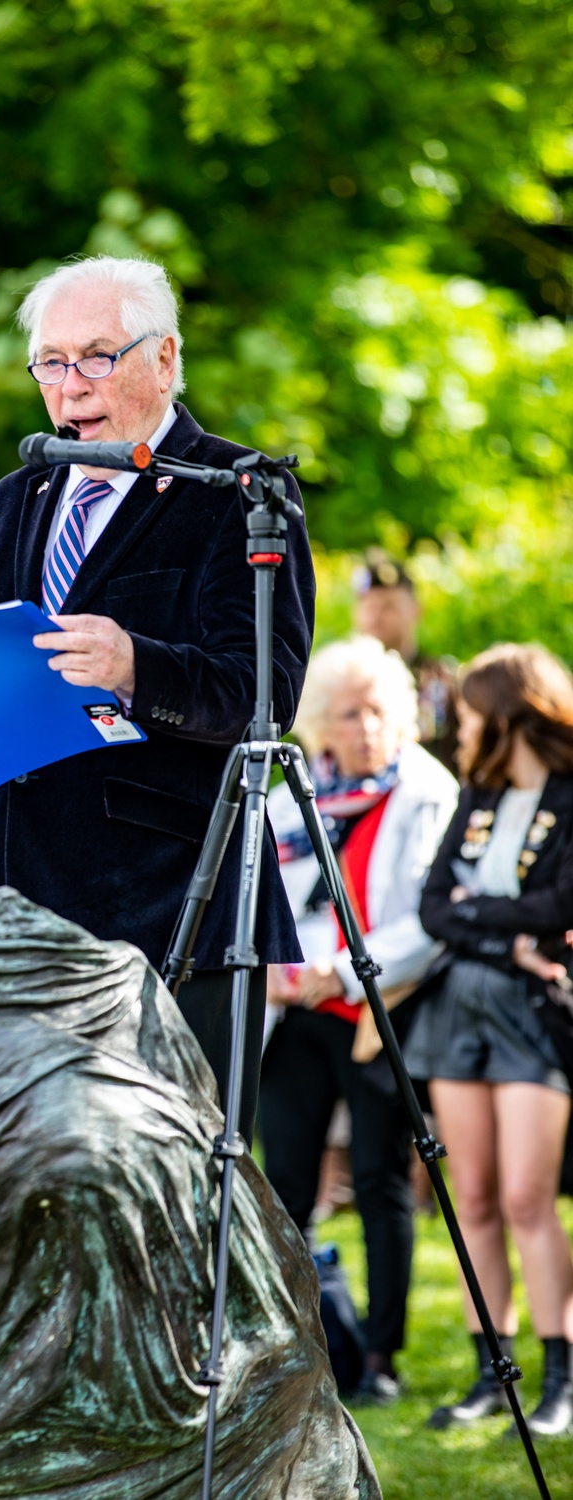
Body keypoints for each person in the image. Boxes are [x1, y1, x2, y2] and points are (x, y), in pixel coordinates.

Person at [0, 255, 315, 1128]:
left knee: (168, 1189)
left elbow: (264, 702)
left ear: (164, 359)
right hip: (7, 901)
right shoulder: (14, 498)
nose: (69, 385)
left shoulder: (240, 494)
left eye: (96, 356)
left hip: (167, 907)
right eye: (50, 363)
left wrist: (137, 666)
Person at [258, 635, 458, 1404]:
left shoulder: (427, 790)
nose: (367, 725)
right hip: (297, 1016)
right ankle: (292, 1350)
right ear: (319, 722)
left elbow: (429, 919)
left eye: (379, 709)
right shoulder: (287, 797)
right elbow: (272, 898)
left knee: (379, 1181)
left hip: (380, 1009)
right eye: (350, 712)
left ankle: (380, 1357)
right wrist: (282, 972)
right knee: (286, 1185)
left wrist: (339, 972)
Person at [406, 642, 573, 1436]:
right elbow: (435, 905)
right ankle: (490, 1375)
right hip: (458, 1009)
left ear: (508, 715)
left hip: (533, 1017)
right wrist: (504, 933)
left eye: (470, 713)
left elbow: (559, 908)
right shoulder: (474, 795)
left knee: (525, 1198)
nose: (459, 726)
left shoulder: (571, 797)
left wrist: (486, 916)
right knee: (468, 1197)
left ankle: (560, 1379)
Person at [353, 553, 457, 770]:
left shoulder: (442, 679)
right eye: (369, 607)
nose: (377, 616)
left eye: (389, 606)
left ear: (416, 611)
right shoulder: (342, 683)